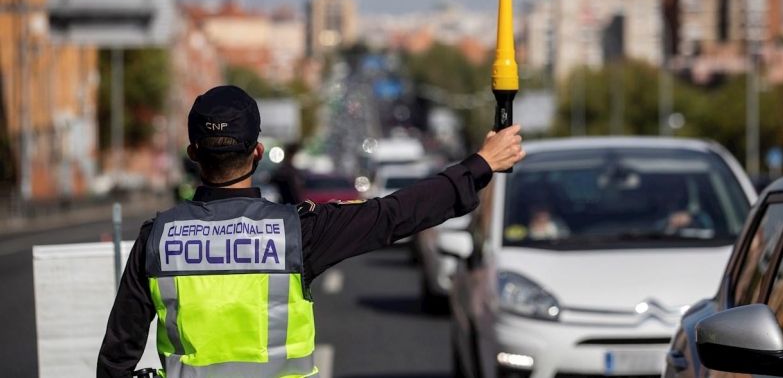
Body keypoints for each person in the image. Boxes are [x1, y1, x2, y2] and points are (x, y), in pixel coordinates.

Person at [97, 85, 525, 378]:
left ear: (193, 153)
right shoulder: (296, 233)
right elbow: (396, 214)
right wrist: (481, 164)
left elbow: (116, 363)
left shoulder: (156, 241)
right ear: (258, 153)